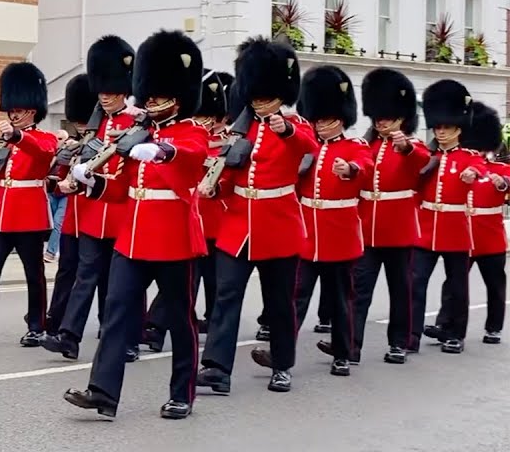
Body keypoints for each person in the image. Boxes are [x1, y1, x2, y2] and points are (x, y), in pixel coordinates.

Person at [63, 29, 208, 420]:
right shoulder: (138, 134)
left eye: (158, 95)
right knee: (116, 312)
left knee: (180, 320)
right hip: (134, 236)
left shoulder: (191, 132)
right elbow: (122, 189)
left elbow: (190, 159)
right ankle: (103, 392)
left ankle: (183, 393)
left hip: (174, 237)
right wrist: (92, 183)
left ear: (176, 97)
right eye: (148, 94)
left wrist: (161, 151)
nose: (150, 101)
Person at [197, 37, 315, 394]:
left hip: (277, 224)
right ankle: (217, 368)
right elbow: (233, 168)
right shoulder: (241, 127)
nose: (261, 102)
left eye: (268, 96)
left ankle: (282, 364)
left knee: (279, 301)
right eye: (257, 96)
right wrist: (216, 185)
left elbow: (308, 147)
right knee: (226, 296)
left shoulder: (298, 125)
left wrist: (288, 130)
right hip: (238, 223)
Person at [40, 36, 138, 361]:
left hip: (121, 213)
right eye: (102, 90)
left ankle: (125, 339)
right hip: (95, 213)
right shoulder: (99, 125)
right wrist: (73, 181)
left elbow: (128, 174)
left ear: (124, 89)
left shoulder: (135, 124)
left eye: (111, 90)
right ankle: (69, 336)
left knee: (116, 288)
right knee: (85, 276)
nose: (105, 96)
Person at [284, 65, 372, 377]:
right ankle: (284, 352)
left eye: (328, 120)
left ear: (342, 119)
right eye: (318, 119)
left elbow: (365, 168)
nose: (322, 125)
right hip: (308, 232)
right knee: (296, 296)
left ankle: (343, 353)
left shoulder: (355, 146)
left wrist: (350, 171)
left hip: (339, 233)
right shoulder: (308, 147)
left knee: (340, 299)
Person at [0, 62, 57, 347]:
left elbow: (43, 153)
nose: (13, 114)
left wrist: (17, 136)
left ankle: (37, 325)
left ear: (31, 110)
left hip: (29, 216)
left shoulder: (43, 138)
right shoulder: (5, 143)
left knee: (34, 275)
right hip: (1, 216)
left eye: (17, 110)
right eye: (11, 110)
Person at [142, 69, 232, 351]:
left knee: (217, 283)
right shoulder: (185, 137)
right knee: (183, 285)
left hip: (218, 223)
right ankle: (156, 327)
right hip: (191, 221)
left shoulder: (225, 144)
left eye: (210, 118)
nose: (206, 122)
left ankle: (216, 330)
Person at [352, 68, 430, 364]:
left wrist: (406, 146)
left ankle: (400, 342)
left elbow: (420, 160)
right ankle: (351, 345)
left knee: (400, 290)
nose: (382, 121)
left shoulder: (414, 146)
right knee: (359, 291)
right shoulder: (367, 145)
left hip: (398, 230)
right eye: (378, 116)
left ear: (402, 118)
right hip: (368, 229)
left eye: (388, 116)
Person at [412, 79, 486, 355]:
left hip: (455, 229)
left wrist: (471, 176)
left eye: (447, 128)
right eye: (438, 127)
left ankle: (455, 334)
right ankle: (410, 335)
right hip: (426, 228)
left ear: (458, 129)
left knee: (457, 287)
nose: (441, 132)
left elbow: (479, 170)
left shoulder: (469, 157)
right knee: (415, 283)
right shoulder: (427, 155)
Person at [435, 101, 507, 346]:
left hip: (490, 239)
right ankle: (445, 323)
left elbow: (506, 186)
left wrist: (502, 183)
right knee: (453, 284)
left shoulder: (500, 169)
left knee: (495, 286)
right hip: (463, 235)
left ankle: (494, 327)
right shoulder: (463, 165)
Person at [45, 74, 98, 336]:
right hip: (72, 220)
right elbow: (57, 175)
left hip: (96, 217)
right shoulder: (76, 145)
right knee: (66, 271)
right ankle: (55, 322)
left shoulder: (105, 141)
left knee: (106, 279)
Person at [44, 128, 71, 263]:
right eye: (57, 139)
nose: (58, 142)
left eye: (61, 139)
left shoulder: (71, 152)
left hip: (65, 193)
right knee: (51, 222)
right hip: (52, 192)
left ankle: (50, 252)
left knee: (58, 223)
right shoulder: (51, 153)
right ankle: (54, 249)